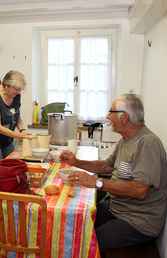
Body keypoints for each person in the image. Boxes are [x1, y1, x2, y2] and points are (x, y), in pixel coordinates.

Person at [60, 93, 167, 254]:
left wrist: (96, 183)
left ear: (124, 118)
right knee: (77, 220)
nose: (107, 116)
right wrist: (76, 162)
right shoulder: (126, 139)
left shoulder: (147, 144)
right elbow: (106, 167)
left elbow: (140, 190)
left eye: (111, 112)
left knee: (85, 241)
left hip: (138, 221)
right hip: (119, 207)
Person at [0, 70, 32, 161]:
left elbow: (16, 116)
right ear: (7, 85)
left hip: (8, 138)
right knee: (0, 168)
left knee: (11, 164)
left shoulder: (15, 94)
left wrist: (22, 130)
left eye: (21, 89)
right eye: (17, 89)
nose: (19, 92)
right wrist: (18, 136)